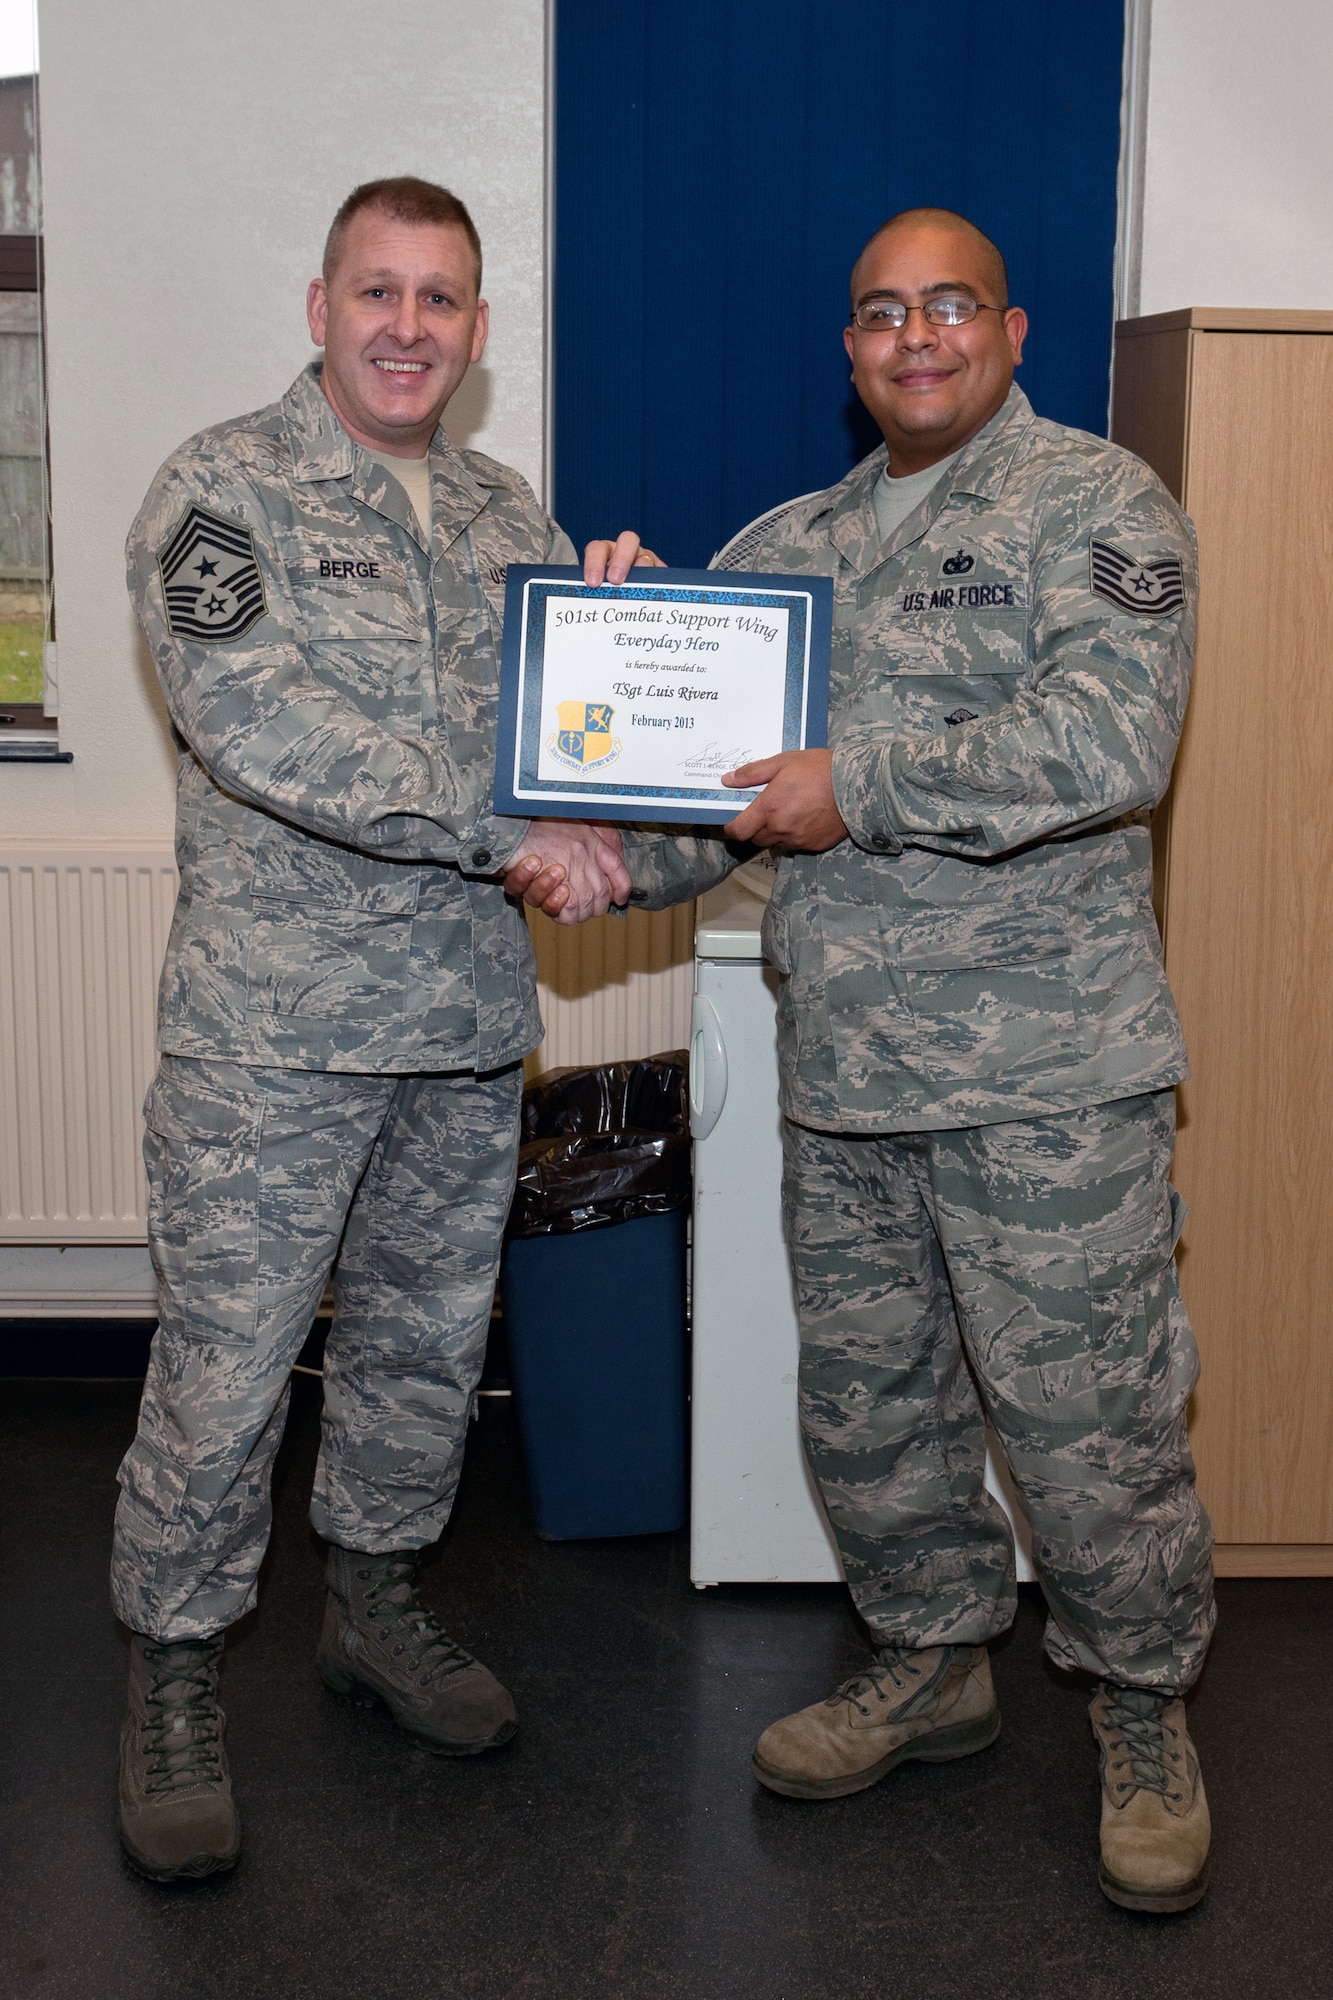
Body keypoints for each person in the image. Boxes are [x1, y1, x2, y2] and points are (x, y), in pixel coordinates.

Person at [517, 207, 1215, 1914]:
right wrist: (605, 840)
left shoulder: (1096, 510)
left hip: (1048, 1085)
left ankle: (1141, 1712)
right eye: (880, 313)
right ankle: (932, 1662)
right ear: (848, 348)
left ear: (1012, 327)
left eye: (948, 305)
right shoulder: (787, 546)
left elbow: (1111, 738)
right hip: (847, 1080)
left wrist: (864, 784)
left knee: (1089, 1424)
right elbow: (732, 803)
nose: (915, 337)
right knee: (871, 1410)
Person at [116, 175, 648, 1882]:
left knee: (423, 1352)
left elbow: (572, 750)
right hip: (272, 1037)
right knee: (223, 1375)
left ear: (479, 333)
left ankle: (375, 1606)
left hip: (461, 1028)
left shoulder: (510, 520)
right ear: (321, 306)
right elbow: (269, 725)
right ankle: (177, 1674)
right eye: (378, 292)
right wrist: (514, 831)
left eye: (441, 299)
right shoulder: (223, 491)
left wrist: (630, 648)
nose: (408, 326)